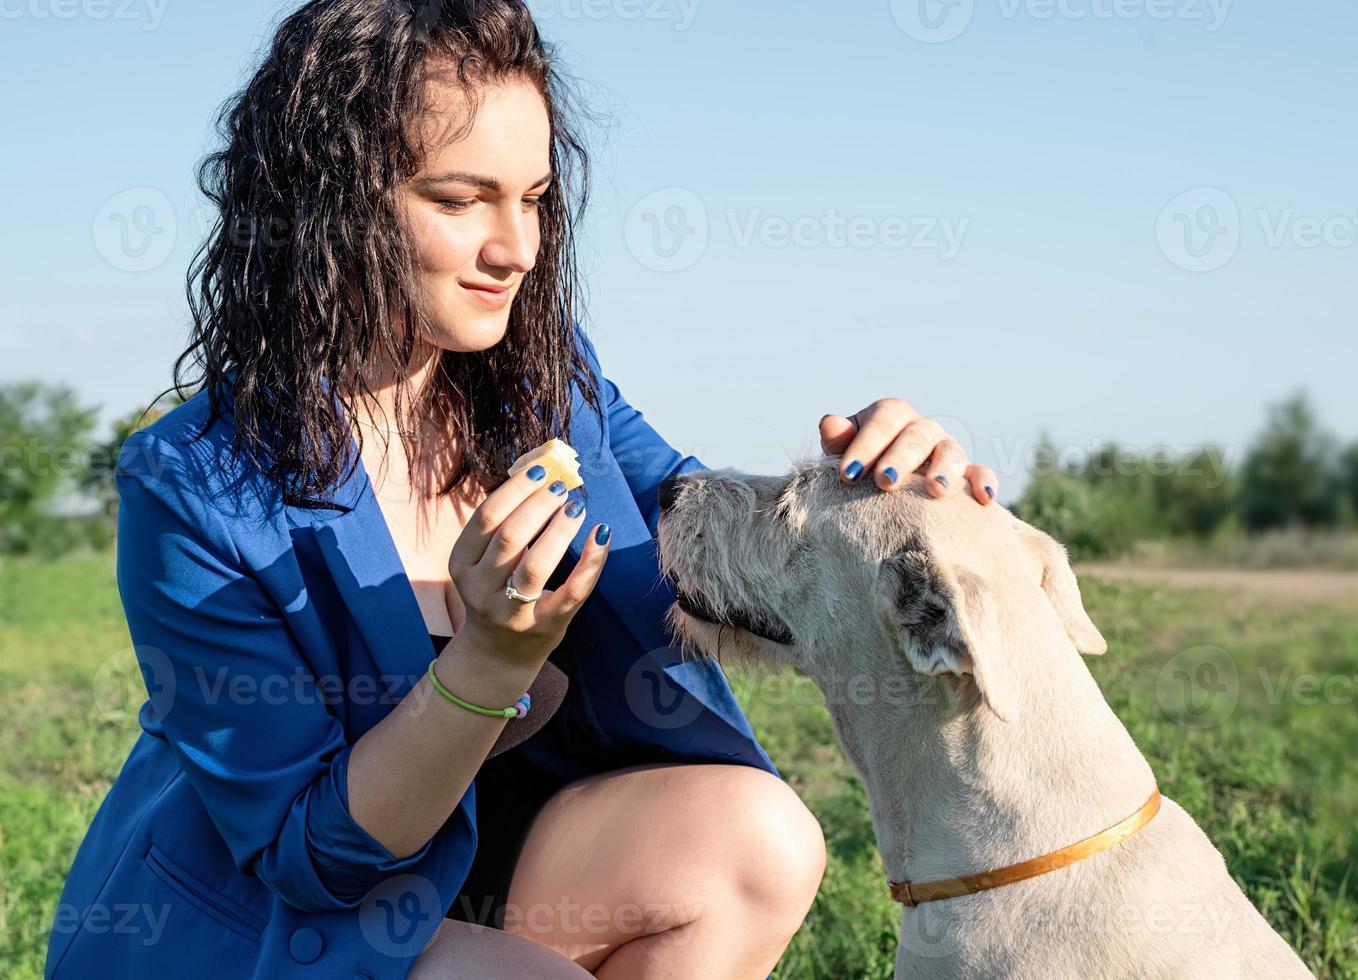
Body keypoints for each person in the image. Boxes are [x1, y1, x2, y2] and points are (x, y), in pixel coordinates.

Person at [43, 2, 1002, 977]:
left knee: (759, 839)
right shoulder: (194, 485)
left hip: (484, 873)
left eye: (534, 197)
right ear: (327, 199)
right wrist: (486, 664)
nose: (518, 248)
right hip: (268, 923)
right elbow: (315, 856)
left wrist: (883, 490)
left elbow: (708, 534)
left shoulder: (549, 383)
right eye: (460, 200)